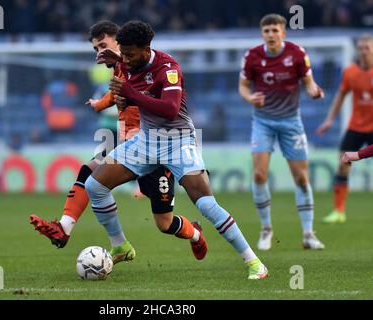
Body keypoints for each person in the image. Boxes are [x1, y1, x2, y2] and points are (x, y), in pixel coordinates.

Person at [84, 20, 268, 280]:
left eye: (130, 53)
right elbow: (127, 77)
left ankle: (254, 263)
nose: (125, 58)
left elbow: (170, 110)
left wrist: (130, 93)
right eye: (122, 53)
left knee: (206, 204)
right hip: (146, 141)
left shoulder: (168, 68)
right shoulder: (127, 62)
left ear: (146, 49)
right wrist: (118, 63)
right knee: (94, 186)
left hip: (178, 141)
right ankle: (121, 245)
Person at [30, 21, 208, 264]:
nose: (99, 52)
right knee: (90, 173)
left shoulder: (137, 65)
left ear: (118, 42)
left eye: (103, 45)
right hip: (127, 142)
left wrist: (106, 104)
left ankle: (195, 233)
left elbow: (150, 99)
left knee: (164, 223)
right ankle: (75, 229)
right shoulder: (119, 68)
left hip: (155, 144)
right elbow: (117, 94)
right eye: (95, 49)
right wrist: (100, 104)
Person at [238, 14, 325, 251]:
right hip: (263, 121)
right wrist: (250, 98)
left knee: (301, 178)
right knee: (258, 175)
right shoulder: (252, 56)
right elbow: (243, 87)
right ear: (262, 34)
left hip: (291, 122)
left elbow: (308, 82)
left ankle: (308, 233)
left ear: (283, 33)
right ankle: (266, 229)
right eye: (267, 31)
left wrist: (313, 91)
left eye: (275, 31)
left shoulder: (297, 53)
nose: (271, 35)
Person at [317, 34, 373, 224]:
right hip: (356, 125)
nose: (364, 51)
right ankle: (339, 211)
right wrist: (329, 120)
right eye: (361, 48)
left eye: (367, 47)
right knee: (343, 163)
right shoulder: (350, 72)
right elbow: (340, 96)